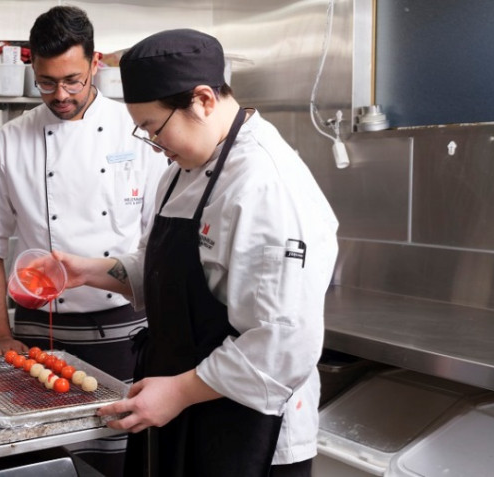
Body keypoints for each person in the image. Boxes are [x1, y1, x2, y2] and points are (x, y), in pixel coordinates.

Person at [52, 29, 339, 477]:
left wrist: (181, 392)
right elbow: (165, 271)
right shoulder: (183, 169)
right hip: (182, 408)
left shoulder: (264, 183)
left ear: (203, 100)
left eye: (154, 128)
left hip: (247, 429)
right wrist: (88, 271)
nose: (153, 143)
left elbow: (282, 342)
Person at [0, 6, 167, 476]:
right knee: (44, 459)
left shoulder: (137, 129)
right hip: (38, 331)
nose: (61, 94)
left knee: (119, 458)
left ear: (95, 63)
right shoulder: (9, 141)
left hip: (124, 328)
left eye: (73, 80)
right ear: (32, 68)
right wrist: (0, 334)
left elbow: (158, 242)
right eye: (46, 82)